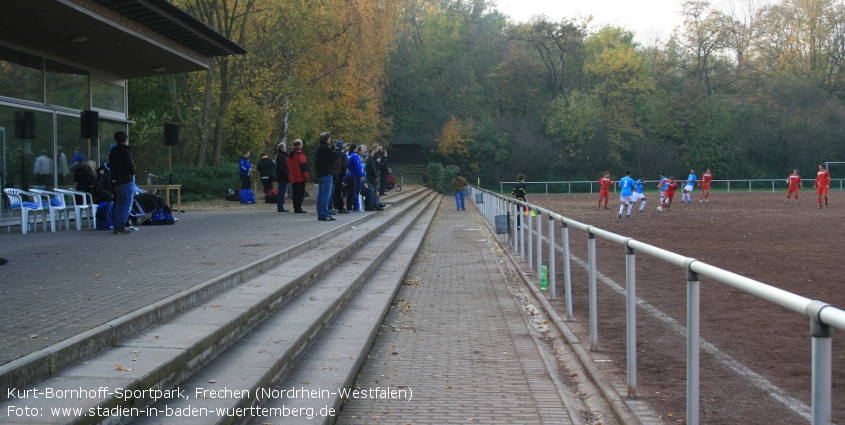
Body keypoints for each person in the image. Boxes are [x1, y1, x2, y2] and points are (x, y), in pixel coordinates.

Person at [109, 131, 136, 235]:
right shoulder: (125, 151)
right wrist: (132, 171)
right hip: (126, 179)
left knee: (119, 203)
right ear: (125, 139)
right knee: (126, 204)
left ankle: (117, 224)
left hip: (117, 181)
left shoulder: (113, 151)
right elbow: (129, 164)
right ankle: (121, 225)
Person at [315, 132, 336, 221]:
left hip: (320, 174)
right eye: (329, 138)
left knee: (320, 195)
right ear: (327, 139)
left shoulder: (319, 148)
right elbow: (334, 156)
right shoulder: (325, 148)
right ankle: (324, 213)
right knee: (326, 195)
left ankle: (320, 213)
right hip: (327, 173)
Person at [286, 139, 309, 213]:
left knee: (295, 193)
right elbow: (303, 166)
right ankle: (298, 208)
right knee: (300, 193)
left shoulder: (290, 155)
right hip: (300, 177)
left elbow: (287, 165)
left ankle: (296, 207)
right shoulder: (300, 154)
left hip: (293, 176)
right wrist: (306, 176)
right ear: (299, 145)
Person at [346, 143, 364, 212]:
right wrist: (361, 175)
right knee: (355, 191)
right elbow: (358, 166)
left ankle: (349, 206)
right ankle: (356, 206)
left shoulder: (348, 155)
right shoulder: (355, 156)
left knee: (350, 191)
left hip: (349, 175)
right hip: (355, 176)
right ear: (355, 149)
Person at [332, 140, 349, 213]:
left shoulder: (332, 152)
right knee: (338, 191)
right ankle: (340, 207)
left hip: (331, 173)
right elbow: (344, 165)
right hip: (339, 174)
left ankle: (331, 206)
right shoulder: (342, 154)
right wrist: (343, 173)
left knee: (332, 191)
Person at [275, 143, 290, 212]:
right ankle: (280, 206)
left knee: (282, 191)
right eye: (285, 147)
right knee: (281, 191)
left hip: (281, 176)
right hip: (282, 176)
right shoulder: (281, 157)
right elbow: (282, 167)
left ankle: (280, 206)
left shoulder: (279, 156)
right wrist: (287, 174)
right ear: (282, 148)